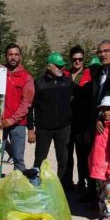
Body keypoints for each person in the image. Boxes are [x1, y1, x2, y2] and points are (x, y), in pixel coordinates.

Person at [30, 52, 75, 185]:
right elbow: (30, 106)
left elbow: (81, 97)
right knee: (40, 158)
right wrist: (30, 128)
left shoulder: (67, 82)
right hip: (44, 128)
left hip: (64, 127)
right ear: (49, 66)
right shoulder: (39, 83)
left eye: (62, 66)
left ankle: (60, 185)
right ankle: (35, 182)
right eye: (58, 66)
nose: (61, 68)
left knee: (63, 159)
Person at [0, 43, 34, 172]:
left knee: (18, 158)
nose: (13, 57)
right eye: (10, 54)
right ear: (6, 56)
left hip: (18, 124)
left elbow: (27, 103)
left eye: (16, 54)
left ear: (20, 57)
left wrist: (12, 120)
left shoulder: (27, 77)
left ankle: (18, 187)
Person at [88, 96, 110, 220]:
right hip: (98, 167)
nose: (106, 112)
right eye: (103, 109)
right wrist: (92, 163)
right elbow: (96, 147)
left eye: (109, 109)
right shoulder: (100, 126)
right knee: (101, 193)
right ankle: (102, 214)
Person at [66, 45, 92, 193]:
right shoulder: (65, 74)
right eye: (75, 59)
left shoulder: (89, 73)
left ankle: (84, 183)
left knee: (83, 156)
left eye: (80, 59)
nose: (77, 62)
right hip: (67, 121)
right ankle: (68, 182)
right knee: (67, 155)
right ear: (71, 59)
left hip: (83, 121)